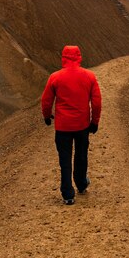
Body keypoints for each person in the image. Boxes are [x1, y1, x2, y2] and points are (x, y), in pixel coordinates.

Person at [41, 45, 101, 205]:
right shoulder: (89, 76)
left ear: (63, 57)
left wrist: (47, 116)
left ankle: (68, 194)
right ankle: (81, 184)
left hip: (62, 127)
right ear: (79, 56)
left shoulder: (55, 77)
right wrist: (94, 122)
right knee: (81, 156)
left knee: (65, 160)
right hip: (82, 125)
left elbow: (46, 100)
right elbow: (96, 103)